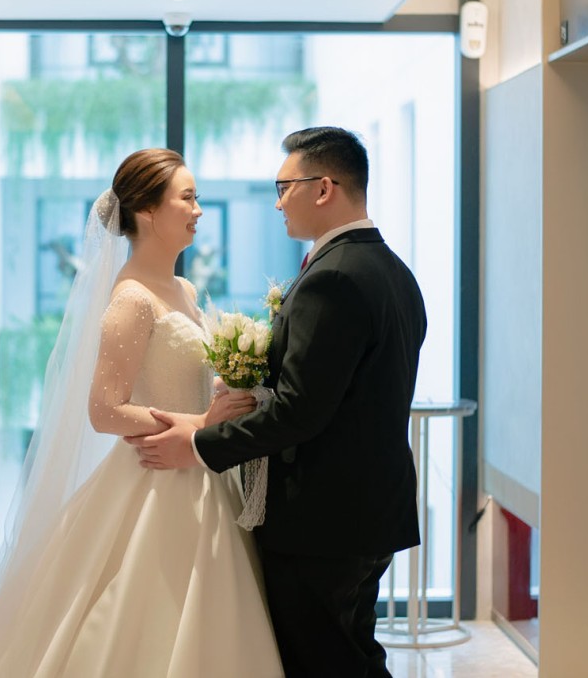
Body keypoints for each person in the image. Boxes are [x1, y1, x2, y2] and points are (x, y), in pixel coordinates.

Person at [0, 148, 283, 678]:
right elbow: (104, 411)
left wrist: (226, 394)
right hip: (156, 475)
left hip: (202, 469)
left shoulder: (183, 288)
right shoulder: (131, 298)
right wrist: (199, 424)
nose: (199, 210)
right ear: (148, 211)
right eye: (188, 198)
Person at [129, 127, 427, 678]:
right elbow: (341, 391)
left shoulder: (334, 277)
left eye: (284, 187)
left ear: (324, 188)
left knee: (323, 662)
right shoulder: (391, 270)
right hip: (367, 510)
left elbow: (300, 411)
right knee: (354, 655)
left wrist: (198, 444)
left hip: (324, 520)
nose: (277, 202)